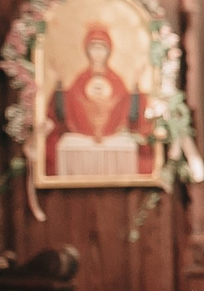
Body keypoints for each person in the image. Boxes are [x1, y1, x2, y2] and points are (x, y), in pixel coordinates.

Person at [47, 23, 150, 177]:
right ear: (87, 51)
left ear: (108, 51)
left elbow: (126, 105)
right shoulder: (81, 79)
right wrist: (60, 87)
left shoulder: (116, 80)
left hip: (111, 137)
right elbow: (69, 103)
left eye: (101, 48)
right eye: (93, 48)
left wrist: (135, 89)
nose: (97, 53)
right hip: (83, 137)